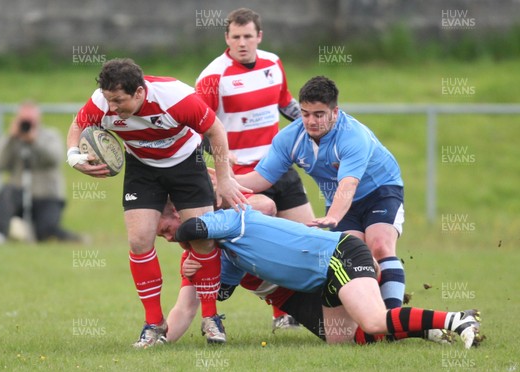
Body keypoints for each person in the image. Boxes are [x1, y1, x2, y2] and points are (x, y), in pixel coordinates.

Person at [66, 58, 248, 348]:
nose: (111, 108)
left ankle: (211, 318)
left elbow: (216, 130)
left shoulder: (176, 98)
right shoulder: (102, 101)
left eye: (119, 101)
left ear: (139, 92)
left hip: (187, 163)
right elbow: (79, 124)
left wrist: (224, 180)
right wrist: (74, 156)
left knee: (202, 239)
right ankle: (154, 324)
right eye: (109, 100)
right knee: (139, 240)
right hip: (142, 167)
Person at [174, 206, 482, 349]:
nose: (167, 237)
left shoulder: (230, 219)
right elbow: (220, 293)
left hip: (340, 254)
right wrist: (197, 268)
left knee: (374, 320)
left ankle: (457, 320)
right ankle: (427, 330)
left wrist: (184, 241)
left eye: (166, 230)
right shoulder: (227, 255)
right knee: (353, 339)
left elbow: (191, 229)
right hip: (323, 281)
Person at [236, 76, 407, 310]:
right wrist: (226, 181)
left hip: (380, 190)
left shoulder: (353, 136)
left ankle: (394, 317)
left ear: (334, 112)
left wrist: (334, 216)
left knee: (379, 245)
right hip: (338, 200)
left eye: (319, 114)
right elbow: (261, 179)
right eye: (305, 114)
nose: (311, 121)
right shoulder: (290, 138)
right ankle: (374, 315)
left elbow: (348, 185)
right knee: (354, 260)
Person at [196, 7, 315, 330]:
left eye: (248, 36)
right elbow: (199, 129)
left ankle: (321, 306)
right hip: (241, 178)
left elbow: (286, 103)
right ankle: (280, 313)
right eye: (236, 37)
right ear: (227, 38)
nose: (243, 43)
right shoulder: (213, 76)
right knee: (266, 246)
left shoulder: (273, 63)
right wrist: (222, 156)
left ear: (259, 36)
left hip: (279, 167)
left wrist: (320, 124)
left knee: (309, 237)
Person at [0, 101, 81, 244]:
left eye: (31, 119)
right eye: (24, 120)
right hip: (18, 194)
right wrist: (10, 138)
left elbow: (55, 158)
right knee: (5, 193)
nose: (27, 124)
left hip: (47, 196)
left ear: (39, 119)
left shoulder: (50, 136)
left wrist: (34, 142)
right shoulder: (12, 139)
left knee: (46, 232)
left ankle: (68, 238)